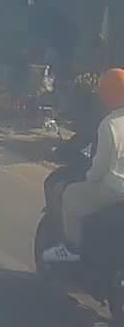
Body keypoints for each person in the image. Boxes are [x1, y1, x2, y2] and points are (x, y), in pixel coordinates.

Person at [42, 68, 124, 263]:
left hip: (114, 189)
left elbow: (99, 168)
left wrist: (88, 178)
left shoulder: (109, 123)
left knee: (69, 195)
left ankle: (71, 248)